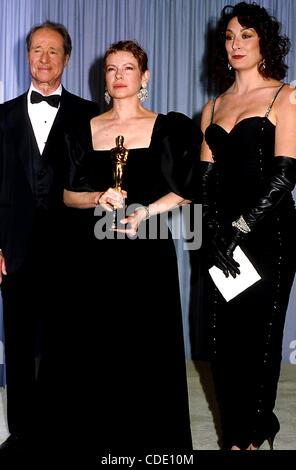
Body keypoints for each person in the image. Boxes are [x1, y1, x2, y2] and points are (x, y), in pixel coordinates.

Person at [62, 40, 202, 453]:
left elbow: (189, 190)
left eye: (128, 68)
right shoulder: (84, 129)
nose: (119, 75)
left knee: (148, 354)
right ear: (103, 78)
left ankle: (151, 446)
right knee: (96, 353)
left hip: (147, 253)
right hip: (94, 256)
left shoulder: (170, 127)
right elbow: (69, 195)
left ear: (145, 77)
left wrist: (145, 211)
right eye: (111, 69)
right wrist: (97, 197)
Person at [199, 2, 296, 450]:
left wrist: (238, 228)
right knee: (222, 344)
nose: (236, 44)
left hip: (268, 236)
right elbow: (204, 182)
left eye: (246, 35)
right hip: (220, 238)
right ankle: (235, 433)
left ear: (264, 44)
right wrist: (216, 233)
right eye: (230, 36)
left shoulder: (285, 96)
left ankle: (252, 437)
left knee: (259, 342)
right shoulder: (212, 107)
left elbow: (283, 177)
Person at [0, 20, 99, 453]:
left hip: (73, 251)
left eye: (53, 51)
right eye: (36, 50)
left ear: (66, 58)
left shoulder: (91, 114)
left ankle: (62, 430)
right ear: (26, 57)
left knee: (66, 345)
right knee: (19, 345)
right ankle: (22, 433)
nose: (43, 58)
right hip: (14, 250)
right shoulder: (0, 116)